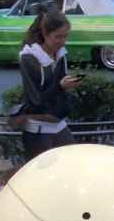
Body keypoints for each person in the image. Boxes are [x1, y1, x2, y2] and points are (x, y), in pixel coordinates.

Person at [19, 9, 79, 159]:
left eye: (65, 36)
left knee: (73, 164)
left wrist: (66, 86)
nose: (62, 41)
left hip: (59, 123)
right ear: (45, 33)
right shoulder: (29, 58)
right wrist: (60, 87)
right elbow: (35, 100)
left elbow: (60, 88)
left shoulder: (60, 54)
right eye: (58, 37)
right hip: (39, 128)